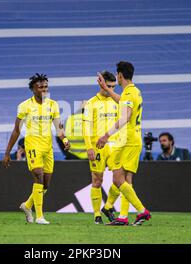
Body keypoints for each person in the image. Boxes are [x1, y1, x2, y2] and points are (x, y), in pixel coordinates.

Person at [3, 73, 70, 225]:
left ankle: (27, 206)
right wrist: (7, 153)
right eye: (40, 87)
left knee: (45, 184)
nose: (44, 89)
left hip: (48, 146)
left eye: (46, 86)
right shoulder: (25, 106)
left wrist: (65, 139)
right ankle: (39, 216)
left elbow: (58, 127)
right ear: (33, 89)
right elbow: (16, 131)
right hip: (33, 145)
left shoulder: (52, 104)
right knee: (38, 176)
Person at [97, 61, 151, 226]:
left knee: (118, 178)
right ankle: (122, 216)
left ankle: (142, 211)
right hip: (133, 139)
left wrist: (106, 136)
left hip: (128, 140)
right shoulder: (134, 91)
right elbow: (122, 102)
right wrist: (107, 90)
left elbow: (125, 116)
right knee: (124, 179)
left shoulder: (129, 93)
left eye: (117, 75)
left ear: (120, 75)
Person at [83, 71, 122, 224]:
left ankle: (108, 206)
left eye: (114, 87)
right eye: (109, 86)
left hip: (115, 145)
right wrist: (89, 147)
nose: (111, 90)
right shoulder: (91, 103)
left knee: (120, 180)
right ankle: (97, 215)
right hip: (97, 147)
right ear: (102, 84)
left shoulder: (118, 101)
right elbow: (86, 127)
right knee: (97, 180)